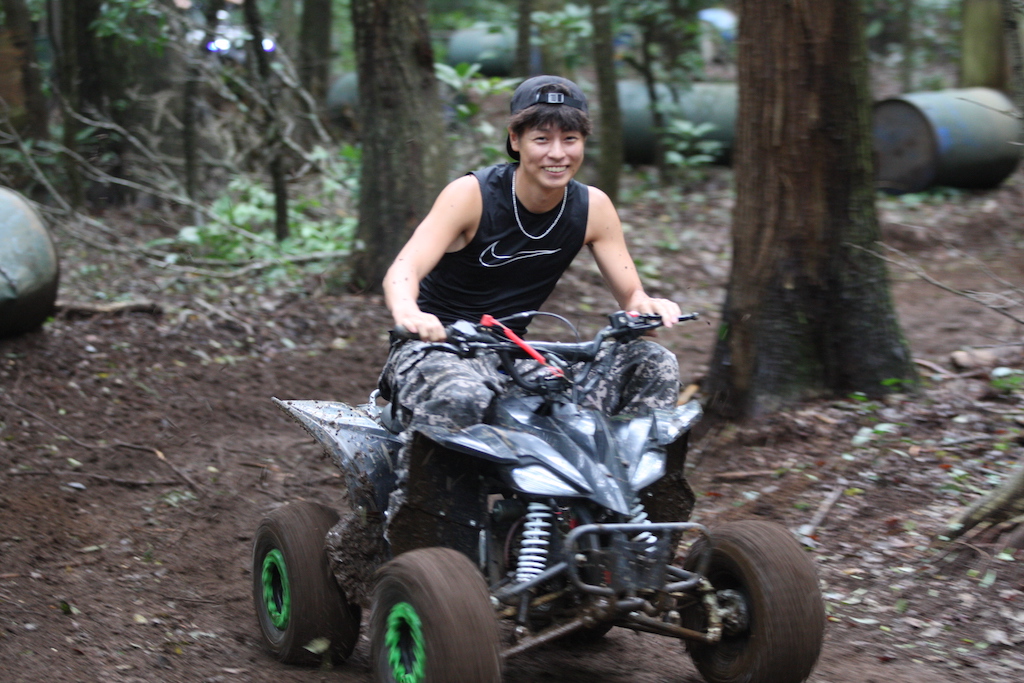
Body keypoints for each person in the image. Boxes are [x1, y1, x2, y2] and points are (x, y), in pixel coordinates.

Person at [379, 74, 682, 433]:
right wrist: (410, 313)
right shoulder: (472, 195)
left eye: (570, 139)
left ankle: (625, 467)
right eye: (542, 139)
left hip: (515, 357)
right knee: (463, 395)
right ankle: (418, 470)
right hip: (434, 349)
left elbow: (632, 295)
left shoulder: (593, 208)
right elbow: (405, 268)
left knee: (652, 362)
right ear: (515, 139)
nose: (557, 153)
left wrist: (646, 306)